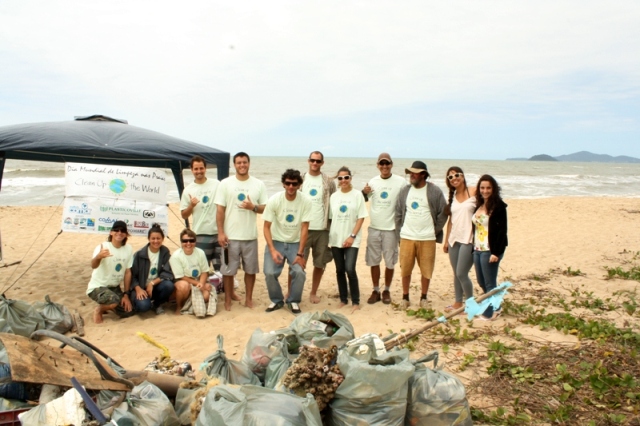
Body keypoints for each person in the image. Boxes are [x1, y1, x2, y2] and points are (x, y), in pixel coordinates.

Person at [215, 152, 268, 311]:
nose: (242, 165)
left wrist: (253, 207)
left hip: (250, 235)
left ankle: (249, 299)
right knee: (228, 271)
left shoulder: (258, 184)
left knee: (250, 270)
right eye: (239, 163)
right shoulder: (225, 183)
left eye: (245, 162)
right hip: (230, 236)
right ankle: (228, 301)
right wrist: (220, 232)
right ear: (234, 165)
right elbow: (220, 210)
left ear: (249, 163)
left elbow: (265, 208)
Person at [395, 161, 447, 309]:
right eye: (410, 172)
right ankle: (405, 298)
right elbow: (398, 213)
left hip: (427, 238)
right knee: (405, 269)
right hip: (407, 237)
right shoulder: (405, 191)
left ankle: (424, 298)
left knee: (426, 270)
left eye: (415, 172)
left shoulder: (434, 191)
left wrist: (434, 231)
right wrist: (400, 233)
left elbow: (443, 213)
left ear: (423, 174)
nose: (412, 175)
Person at [263, 169, 312, 314]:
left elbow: (305, 228)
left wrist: (300, 253)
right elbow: (266, 227)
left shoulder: (305, 201)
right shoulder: (274, 200)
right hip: (276, 241)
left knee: (299, 272)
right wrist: (272, 249)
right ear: (283, 184)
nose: (291, 186)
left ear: (299, 185)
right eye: (288, 183)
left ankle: (293, 301)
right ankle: (276, 300)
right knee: (269, 272)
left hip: (295, 243)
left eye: (294, 184)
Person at [362, 153, 407, 305]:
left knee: (390, 262)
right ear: (377, 165)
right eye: (381, 163)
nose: (384, 166)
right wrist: (364, 192)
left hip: (391, 229)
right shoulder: (372, 182)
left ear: (391, 164)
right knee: (374, 261)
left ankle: (386, 289)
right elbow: (362, 201)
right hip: (374, 227)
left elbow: (406, 201)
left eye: (387, 163)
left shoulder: (401, 182)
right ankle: (376, 290)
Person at [329, 166, 368, 312]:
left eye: (346, 177)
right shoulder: (334, 197)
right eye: (340, 178)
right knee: (339, 270)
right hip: (335, 238)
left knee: (350, 269)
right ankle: (343, 299)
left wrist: (352, 236)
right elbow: (332, 219)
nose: (343, 180)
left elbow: (361, 217)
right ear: (337, 180)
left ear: (350, 178)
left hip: (352, 239)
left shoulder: (357, 195)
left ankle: (356, 301)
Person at [130, 224, 190, 315]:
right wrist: (138, 289)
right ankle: (144, 302)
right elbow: (132, 276)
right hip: (141, 287)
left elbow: (168, 273)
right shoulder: (139, 255)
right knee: (143, 306)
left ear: (162, 239)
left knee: (169, 285)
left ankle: (157, 304)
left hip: (155, 286)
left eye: (158, 238)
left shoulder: (165, 252)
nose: (156, 241)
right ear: (148, 239)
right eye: (153, 238)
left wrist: (152, 283)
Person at [300, 151, 336, 303]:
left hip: (322, 228)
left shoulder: (328, 181)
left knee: (319, 263)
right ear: (308, 161)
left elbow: (334, 202)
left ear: (322, 163)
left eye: (318, 161)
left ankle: (313, 292)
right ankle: (295, 291)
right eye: (312, 160)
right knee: (299, 262)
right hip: (303, 228)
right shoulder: (300, 179)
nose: (315, 163)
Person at [472, 174, 508, 321]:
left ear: (494, 189)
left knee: (489, 282)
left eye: (488, 188)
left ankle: (490, 312)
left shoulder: (499, 207)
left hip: (490, 250)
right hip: (477, 249)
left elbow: (502, 231)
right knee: (481, 281)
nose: (485, 191)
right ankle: (497, 305)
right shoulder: (478, 205)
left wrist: (496, 252)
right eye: (482, 187)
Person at [86, 220, 134, 324]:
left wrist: (126, 294)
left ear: (126, 234)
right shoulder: (103, 246)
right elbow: (93, 265)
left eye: (123, 231)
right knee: (114, 300)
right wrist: (98, 257)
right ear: (111, 232)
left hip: (114, 287)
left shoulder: (128, 249)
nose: (119, 233)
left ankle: (111, 306)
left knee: (128, 311)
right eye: (116, 230)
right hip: (98, 286)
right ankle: (100, 309)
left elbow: (127, 272)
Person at [443, 167, 477, 312]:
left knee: (462, 273)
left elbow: (488, 206)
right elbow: (451, 221)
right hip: (454, 239)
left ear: (462, 176)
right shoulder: (453, 197)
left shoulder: (473, 191)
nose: (454, 178)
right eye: (450, 177)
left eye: (456, 175)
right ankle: (458, 303)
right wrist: (446, 241)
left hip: (469, 239)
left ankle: (470, 304)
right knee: (455, 273)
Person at [180, 155, 221, 271]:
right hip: (200, 233)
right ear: (192, 170)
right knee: (203, 268)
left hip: (219, 233)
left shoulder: (217, 184)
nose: (199, 171)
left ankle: (219, 288)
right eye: (196, 169)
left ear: (205, 168)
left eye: (201, 168)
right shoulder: (188, 190)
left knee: (222, 268)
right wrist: (191, 206)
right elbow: (184, 215)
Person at [169, 228, 212, 315]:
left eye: (191, 240)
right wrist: (197, 283)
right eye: (185, 241)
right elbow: (181, 276)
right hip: (183, 281)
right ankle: (179, 306)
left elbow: (204, 271)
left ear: (195, 242)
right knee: (183, 286)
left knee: (206, 296)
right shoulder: (176, 256)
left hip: (198, 279)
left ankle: (190, 304)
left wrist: (201, 284)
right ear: (181, 242)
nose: (188, 243)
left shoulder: (200, 253)